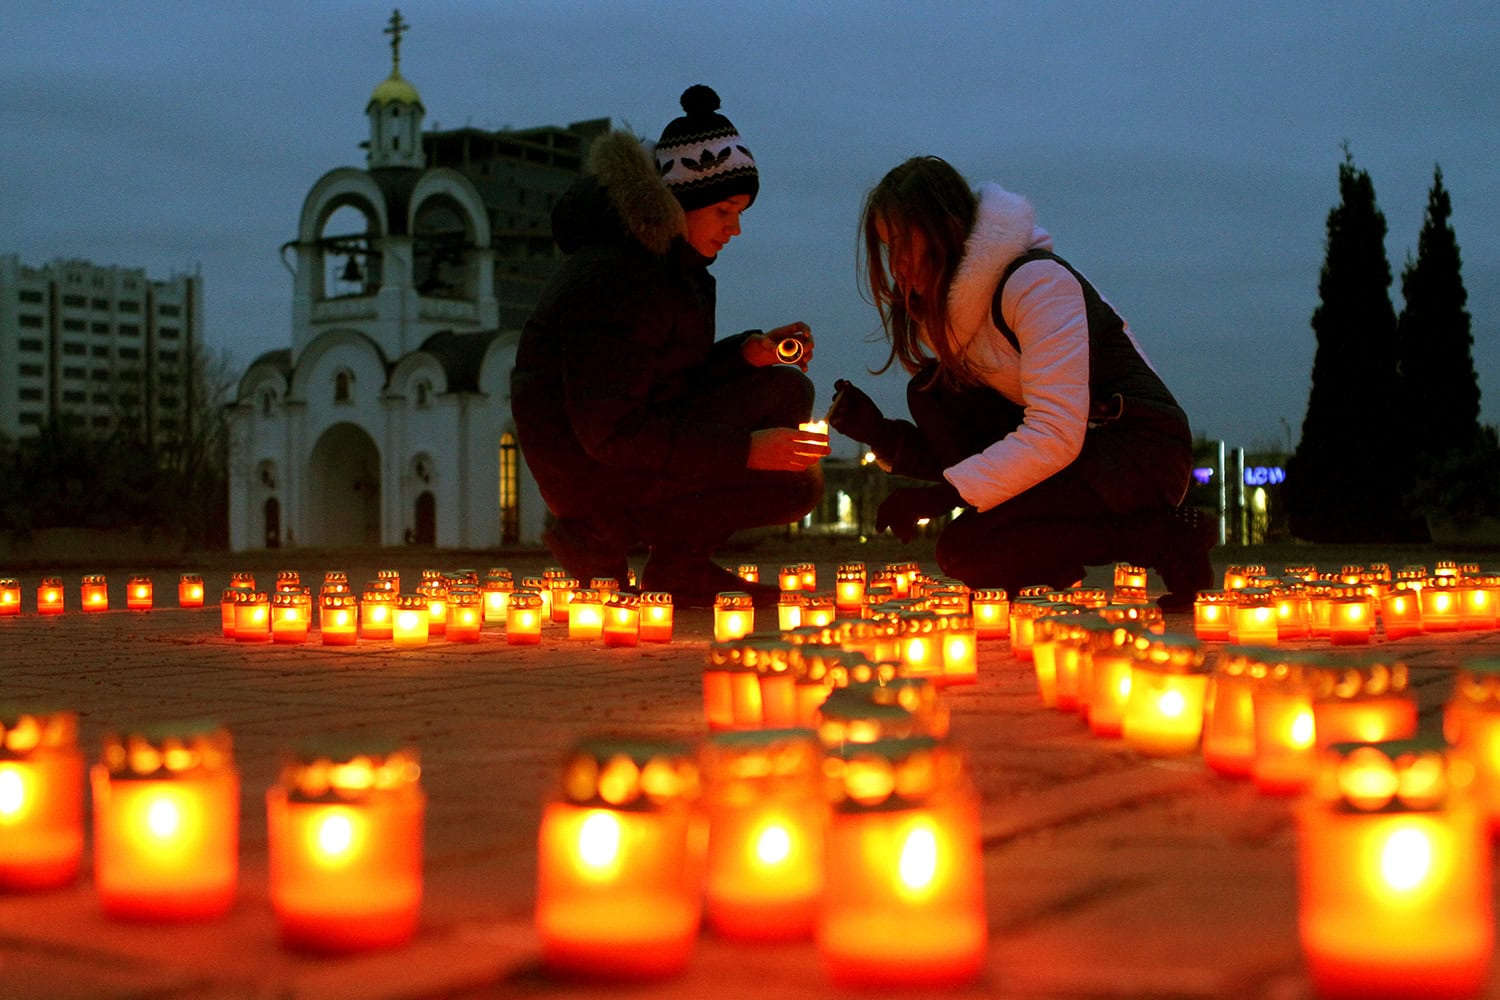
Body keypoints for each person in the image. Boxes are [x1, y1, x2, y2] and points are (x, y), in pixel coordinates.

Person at [829, 156, 1214, 609]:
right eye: (887, 249)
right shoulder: (964, 324)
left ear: (945, 226)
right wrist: (880, 436)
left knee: (965, 549)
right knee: (931, 393)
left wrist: (943, 497)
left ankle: (1165, 535)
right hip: (1078, 455)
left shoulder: (1037, 283)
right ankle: (1045, 561)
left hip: (1139, 451)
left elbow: (1054, 434)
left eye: (901, 243)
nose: (899, 266)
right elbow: (983, 454)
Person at [511, 85, 828, 607]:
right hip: (588, 471)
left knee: (785, 394)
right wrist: (745, 450)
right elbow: (609, 430)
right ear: (681, 203)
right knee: (789, 481)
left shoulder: (675, 268)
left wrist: (745, 354)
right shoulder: (616, 275)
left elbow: (665, 378)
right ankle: (598, 535)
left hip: (620, 451)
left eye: (741, 212)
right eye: (725, 211)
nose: (736, 230)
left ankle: (679, 567)